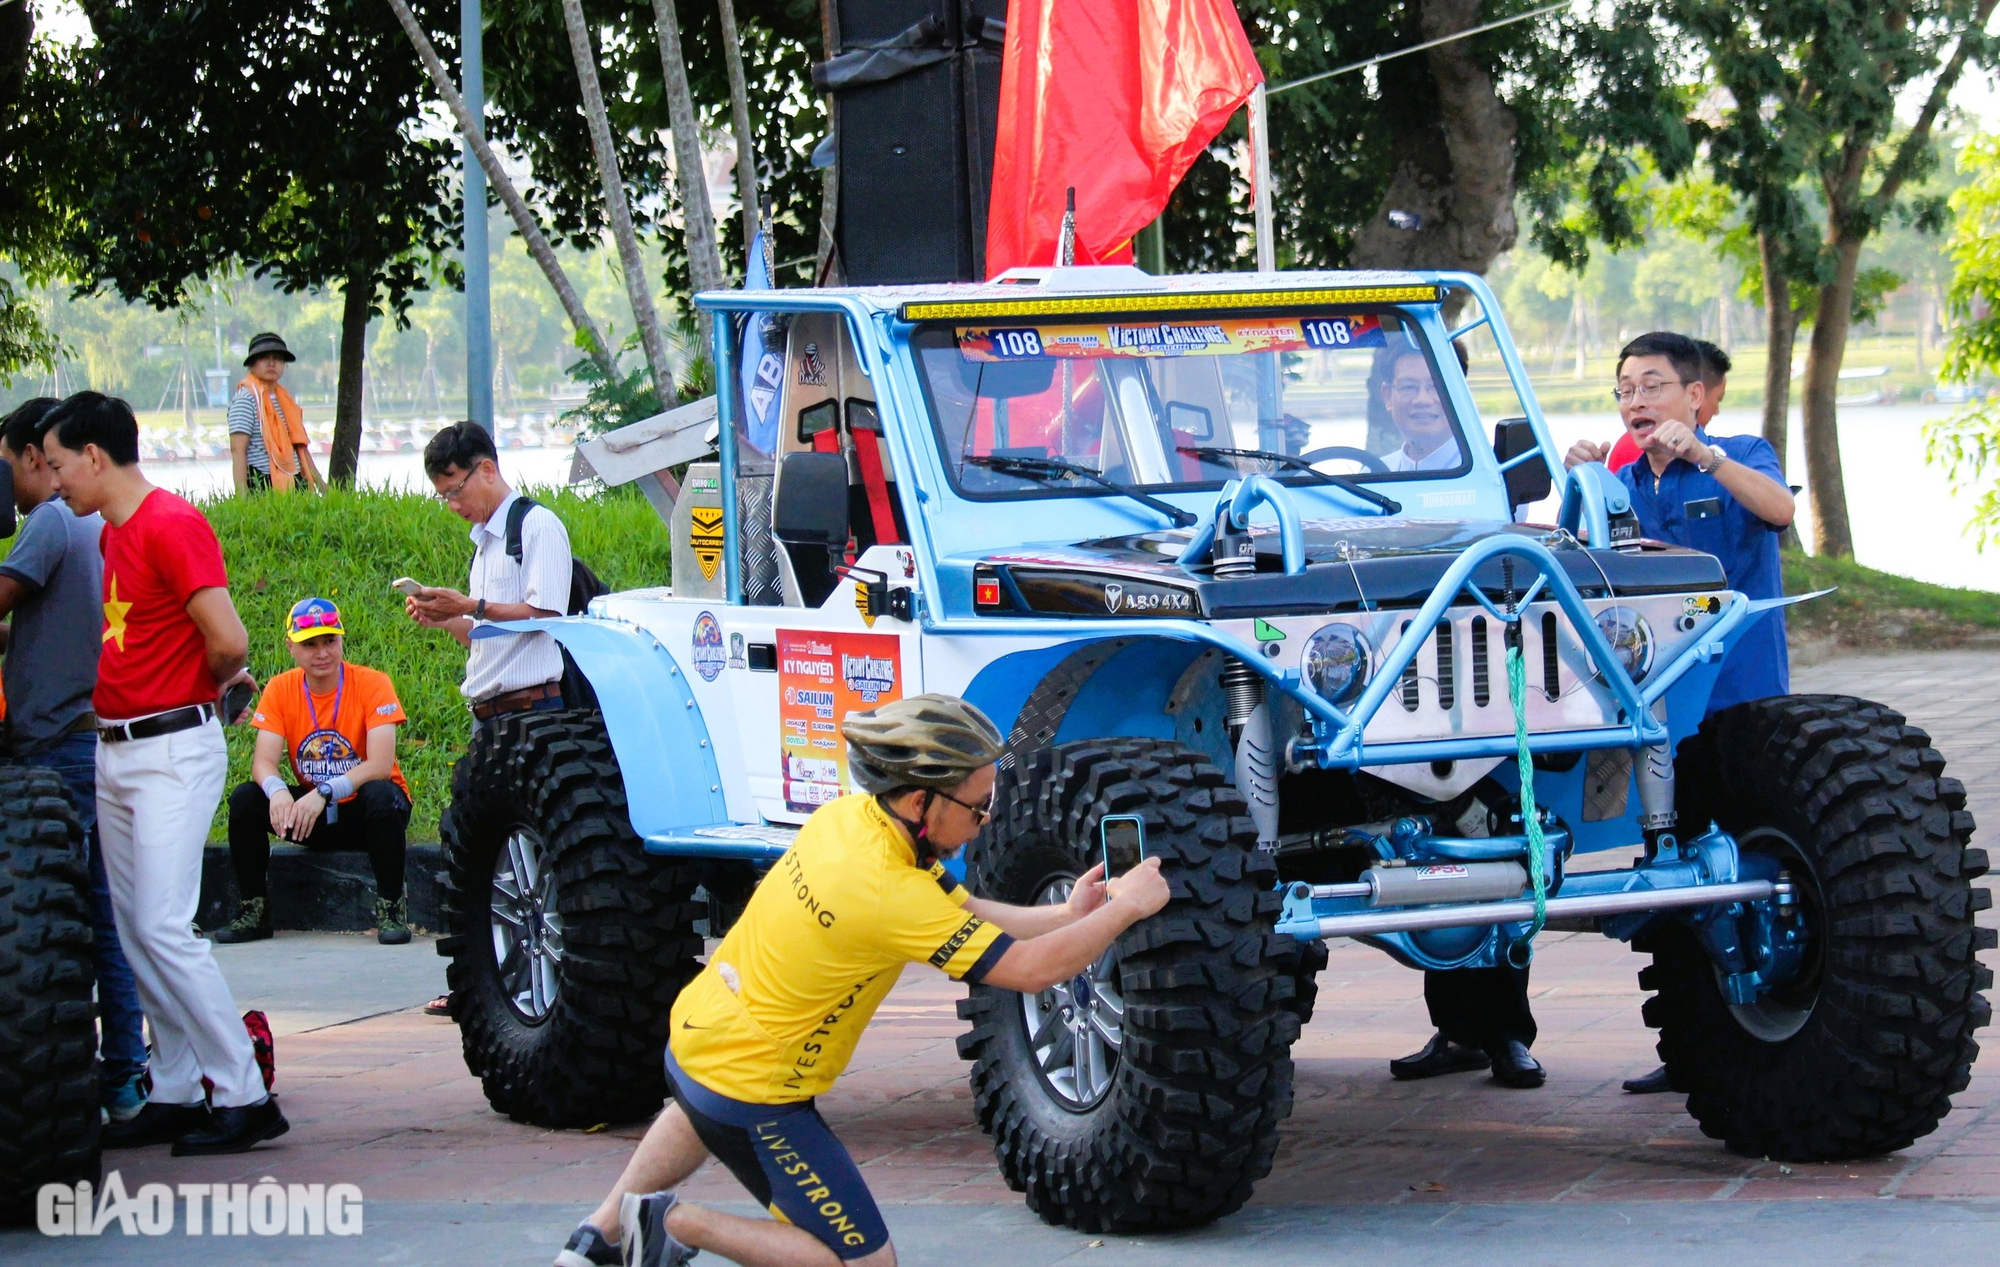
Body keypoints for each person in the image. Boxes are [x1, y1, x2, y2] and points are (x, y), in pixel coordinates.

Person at [552, 695, 1171, 1267]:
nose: (987, 818)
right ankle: (675, 1227)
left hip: (700, 1033)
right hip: (756, 1084)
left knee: (700, 1108)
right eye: (978, 805)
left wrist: (1068, 914)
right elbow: (1031, 972)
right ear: (918, 801)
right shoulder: (887, 892)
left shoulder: (849, 821)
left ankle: (597, 1235)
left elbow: (965, 912)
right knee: (864, 1263)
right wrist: (1126, 909)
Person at [40, 392, 290, 1156]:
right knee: (134, 926)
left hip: (171, 746)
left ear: (94, 455)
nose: (52, 484)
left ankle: (243, 1092)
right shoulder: (114, 532)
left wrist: (204, 691)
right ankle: (177, 1086)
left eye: (56, 465)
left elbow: (229, 638)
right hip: (115, 748)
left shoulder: (172, 524)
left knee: (163, 925)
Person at [1570, 332, 1795, 1096]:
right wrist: (1582, 482)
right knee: (1670, 871)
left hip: (1745, 703)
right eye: (1625, 387)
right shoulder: (1621, 479)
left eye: (1654, 385)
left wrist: (1705, 455)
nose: (1637, 400)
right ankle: (1691, 1043)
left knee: (1751, 858)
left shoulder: (1739, 452)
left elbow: (1780, 509)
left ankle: (1768, 1008)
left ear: (1695, 397)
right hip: (1661, 714)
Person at [0, 397, 150, 1123]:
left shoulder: (52, 520)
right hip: (91, 737)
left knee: (51, 928)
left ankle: (106, 1074)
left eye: (13, 468)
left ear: (36, 455)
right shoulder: (100, 525)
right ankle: (125, 1077)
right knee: (102, 917)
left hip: (57, 748)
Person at [406, 420, 574, 1016]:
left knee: (539, 854)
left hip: (535, 710)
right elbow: (489, 635)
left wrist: (470, 604)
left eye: (455, 490)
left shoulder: (538, 526)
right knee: (489, 858)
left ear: (486, 469)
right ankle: (488, 980)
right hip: (490, 712)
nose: (453, 506)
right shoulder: (484, 544)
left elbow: (545, 611)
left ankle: (543, 981)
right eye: (443, 497)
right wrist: (444, 616)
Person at [212, 597, 415, 946]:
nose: (322, 653)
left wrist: (323, 792)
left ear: (341, 641)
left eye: (329, 641)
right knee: (246, 798)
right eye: (309, 644)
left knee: (380, 794)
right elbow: (263, 761)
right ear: (290, 647)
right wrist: (277, 791)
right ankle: (254, 908)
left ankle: (391, 907)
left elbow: (381, 766)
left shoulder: (373, 683)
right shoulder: (280, 688)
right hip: (313, 815)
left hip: (365, 813)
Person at [1606, 340, 1730, 473]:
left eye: (1651, 387)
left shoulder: (1744, 454)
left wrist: (1709, 460)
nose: (1635, 403)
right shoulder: (1632, 452)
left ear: (1694, 395)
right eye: (1625, 391)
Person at [227, 332, 324, 495]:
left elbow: (299, 446)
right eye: (264, 357)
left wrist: (322, 486)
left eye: (278, 358)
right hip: (262, 483)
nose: (272, 363)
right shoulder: (246, 399)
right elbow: (237, 450)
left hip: (295, 480)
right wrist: (242, 497)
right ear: (252, 364)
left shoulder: (284, 399)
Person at [1372, 339, 1464, 472]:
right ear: (1387, 396)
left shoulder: (1496, 471)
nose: (1423, 400)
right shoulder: (1374, 474)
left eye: (1437, 386)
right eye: (1408, 387)